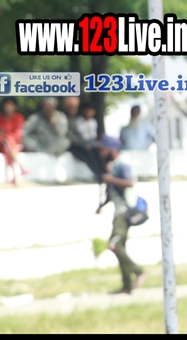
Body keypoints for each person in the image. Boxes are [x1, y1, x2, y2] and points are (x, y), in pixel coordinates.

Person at [95, 135, 146, 294]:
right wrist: (101, 206)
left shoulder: (122, 164)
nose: (101, 152)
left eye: (104, 149)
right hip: (118, 212)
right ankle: (127, 285)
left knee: (114, 245)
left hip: (124, 212)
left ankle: (139, 272)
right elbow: (112, 193)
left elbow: (129, 182)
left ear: (112, 149)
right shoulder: (112, 166)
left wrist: (111, 179)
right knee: (119, 247)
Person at [63, 96, 106, 181]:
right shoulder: (65, 118)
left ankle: (103, 174)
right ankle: (100, 175)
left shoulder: (75, 119)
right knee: (88, 153)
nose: (73, 109)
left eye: (75, 107)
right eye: (71, 107)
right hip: (72, 145)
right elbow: (71, 136)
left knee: (97, 153)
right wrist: (85, 144)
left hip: (83, 144)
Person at [0, 97, 27, 183]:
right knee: (8, 142)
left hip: (14, 145)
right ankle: (21, 167)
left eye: (11, 105)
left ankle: (13, 176)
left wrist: (4, 135)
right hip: (2, 144)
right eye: (6, 104)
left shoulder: (19, 118)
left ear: (15, 107)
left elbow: (18, 135)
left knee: (8, 144)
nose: (8, 107)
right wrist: (4, 138)